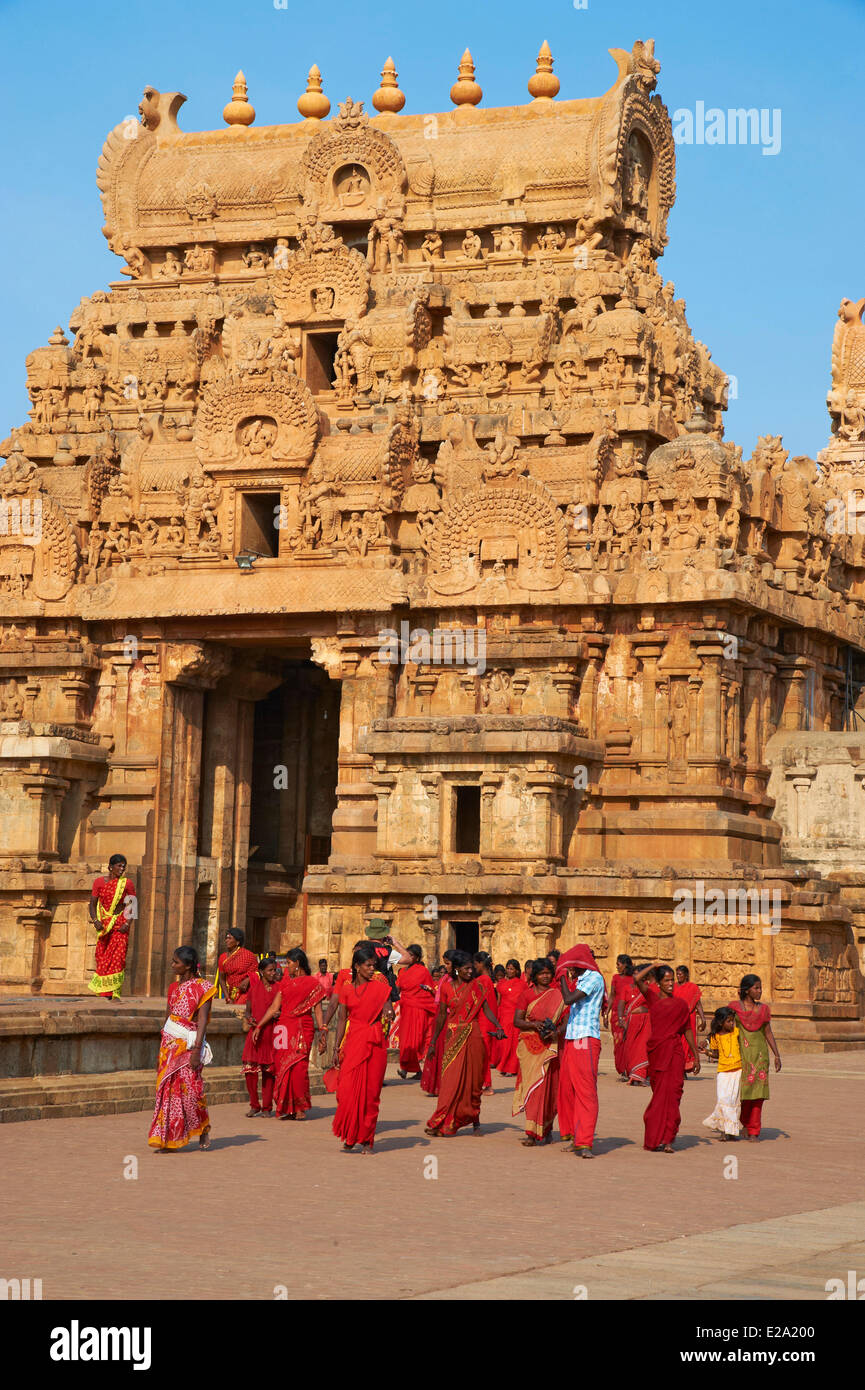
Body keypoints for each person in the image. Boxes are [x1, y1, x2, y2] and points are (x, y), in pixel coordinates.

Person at [424, 951, 504, 1137]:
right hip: (452, 1036)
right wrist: (433, 1042)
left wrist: (498, 1025)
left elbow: (486, 1009)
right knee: (450, 1082)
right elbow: (442, 1015)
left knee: (473, 1081)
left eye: (472, 968)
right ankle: (440, 1121)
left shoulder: (478, 986)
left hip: (473, 1035)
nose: (470, 971)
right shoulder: (446, 988)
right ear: (458, 970)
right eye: (467, 968)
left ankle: (474, 1120)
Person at [148, 946, 216, 1152]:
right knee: (168, 1092)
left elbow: (203, 1020)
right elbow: (168, 1016)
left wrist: (196, 1050)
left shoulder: (204, 988)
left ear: (187, 966)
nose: (172, 965)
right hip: (169, 1046)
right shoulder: (175, 988)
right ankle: (169, 1138)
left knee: (191, 1091)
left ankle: (203, 1127)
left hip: (188, 1045)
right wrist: (163, 1044)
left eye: (176, 962)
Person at [332, 943, 394, 1152]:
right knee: (347, 1092)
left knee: (370, 1094)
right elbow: (341, 1019)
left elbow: (387, 1005)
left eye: (374, 966)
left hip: (375, 1043)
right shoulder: (347, 989)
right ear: (357, 966)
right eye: (368, 966)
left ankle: (367, 1139)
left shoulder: (380, 987)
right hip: (353, 1042)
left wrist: (388, 1012)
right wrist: (335, 1047)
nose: (372, 970)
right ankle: (350, 1134)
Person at [253, 947, 327, 1121]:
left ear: (298, 963)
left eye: (289, 963)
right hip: (284, 1029)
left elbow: (318, 1011)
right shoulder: (285, 983)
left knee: (299, 1068)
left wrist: (322, 1030)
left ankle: (300, 1107)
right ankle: (287, 1107)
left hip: (303, 1028)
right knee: (282, 1068)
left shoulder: (313, 983)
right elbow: (274, 1008)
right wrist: (259, 1026)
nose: (286, 967)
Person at [634, 963, 700, 1153]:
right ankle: (655, 1137)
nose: (671, 983)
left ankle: (668, 1139)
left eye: (672, 980)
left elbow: (687, 1029)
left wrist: (695, 1055)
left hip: (675, 1053)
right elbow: (637, 978)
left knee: (673, 1095)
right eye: (667, 980)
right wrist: (653, 966)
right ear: (659, 982)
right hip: (657, 1052)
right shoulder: (653, 999)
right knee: (659, 1096)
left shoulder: (680, 1004)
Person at [556, 944, 607, 1158]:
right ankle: (574, 1136)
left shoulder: (594, 978)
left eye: (571, 966)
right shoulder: (580, 980)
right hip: (572, 1037)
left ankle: (585, 1142)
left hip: (585, 1038)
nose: (570, 971)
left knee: (585, 1092)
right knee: (569, 1090)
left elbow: (568, 999)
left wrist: (560, 978)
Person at [512, 958, 566, 1145]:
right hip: (529, 1046)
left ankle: (547, 1128)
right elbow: (517, 1021)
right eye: (541, 973)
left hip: (550, 1045)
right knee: (534, 1087)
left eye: (548, 973)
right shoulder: (526, 995)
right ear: (534, 975)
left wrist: (556, 1031)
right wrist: (534, 1024)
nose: (545, 976)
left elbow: (566, 1021)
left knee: (550, 1088)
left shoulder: (558, 995)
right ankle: (531, 1132)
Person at [728, 974, 781, 1141]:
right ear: (746, 990)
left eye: (760, 988)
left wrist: (777, 1055)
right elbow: (726, 1030)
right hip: (741, 1056)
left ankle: (754, 1130)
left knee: (758, 1095)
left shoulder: (764, 1010)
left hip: (759, 1056)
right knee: (740, 1092)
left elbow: (768, 1032)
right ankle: (740, 1124)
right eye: (756, 988)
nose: (760, 991)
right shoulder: (734, 1008)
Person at [88, 854, 136, 998]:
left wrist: (127, 923)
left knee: (118, 957)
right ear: (110, 867)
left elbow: (132, 904)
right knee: (102, 956)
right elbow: (92, 903)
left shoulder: (127, 883)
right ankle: (104, 991)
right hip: (104, 925)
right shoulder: (98, 883)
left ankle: (114, 992)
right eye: (119, 866)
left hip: (120, 923)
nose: (122, 869)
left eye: (123, 867)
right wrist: (95, 920)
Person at [241, 955, 279, 1117]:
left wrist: (278, 1013)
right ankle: (254, 1104)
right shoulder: (254, 989)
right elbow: (248, 1011)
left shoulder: (278, 988)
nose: (273, 973)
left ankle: (267, 1107)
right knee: (250, 1071)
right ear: (262, 972)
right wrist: (250, 1020)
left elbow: (282, 1009)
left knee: (268, 1072)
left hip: (271, 1032)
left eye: (274, 970)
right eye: (270, 970)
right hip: (255, 1032)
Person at [395, 945, 437, 1079]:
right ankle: (413, 1070)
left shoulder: (423, 971)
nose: (408, 957)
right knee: (405, 1039)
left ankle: (407, 1069)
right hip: (406, 1008)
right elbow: (397, 989)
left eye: (412, 955)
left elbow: (430, 990)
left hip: (419, 1008)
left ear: (417, 958)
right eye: (407, 954)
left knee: (415, 1039)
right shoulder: (401, 972)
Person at [702, 1006, 742, 1141]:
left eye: (733, 1021)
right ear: (720, 1023)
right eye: (729, 1021)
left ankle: (731, 1131)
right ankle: (724, 1130)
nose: (732, 1024)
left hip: (737, 1070)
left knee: (733, 1101)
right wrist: (707, 1052)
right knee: (723, 1100)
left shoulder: (737, 1032)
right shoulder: (715, 1037)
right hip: (723, 1072)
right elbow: (716, 1054)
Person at [420, 950, 456, 1096]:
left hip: (449, 1019)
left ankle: (446, 1086)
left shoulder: (456, 980)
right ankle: (436, 1086)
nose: (445, 967)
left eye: (448, 963)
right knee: (437, 1050)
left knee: (445, 1051)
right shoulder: (445, 978)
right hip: (440, 1017)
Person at [472, 950, 500, 1092]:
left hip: (484, 1020)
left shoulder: (482, 980)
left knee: (482, 1053)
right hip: (487, 1020)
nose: (474, 966)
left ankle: (486, 1084)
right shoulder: (487, 979)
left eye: (476, 963)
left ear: (481, 964)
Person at [620, 963, 651, 1085]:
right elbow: (621, 1003)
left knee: (641, 1049)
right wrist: (622, 1018)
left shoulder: (649, 987)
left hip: (645, 1023)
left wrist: (646, 1010)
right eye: (634, 973)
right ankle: (632, 1074)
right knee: (631, 1048)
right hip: (631, 1022)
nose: (635, 975)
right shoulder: (628, 988)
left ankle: (639, 1076)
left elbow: (656, 1003)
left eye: (638, 973)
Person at [607, 954, 635, 1080]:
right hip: (616, 1015)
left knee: (629, 1042)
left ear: (625, 965)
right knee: (618, 1043)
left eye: (618, 964)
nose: (617, 967)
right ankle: (622, 1068)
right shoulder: (615, 978)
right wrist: (606, 1012)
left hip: (629, 1014)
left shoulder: (634, 978)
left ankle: (629, 1068)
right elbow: (612, 996)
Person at [674, 965, 706, 1076]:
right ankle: (678, 1067)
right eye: (677, 974)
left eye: (680, 974)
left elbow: (698, 1004)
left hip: (689, 1018)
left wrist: (703, 1019)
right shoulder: (673, 987)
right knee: (677, 1043)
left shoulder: (692, 987)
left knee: (688, 1043)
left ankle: (684, 1068)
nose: (678, 976)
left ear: (686, 975)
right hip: (676, 1019)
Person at [495, 958, 525, 1076]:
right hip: (504, 1015)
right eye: (507, 968)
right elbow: (499, 999)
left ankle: (513, 1068)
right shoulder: (501, 983)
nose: (509, 971)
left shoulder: (522, 985)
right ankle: (503, 1065)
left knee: (514, 1042)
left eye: (511, 969)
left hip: (515, 1015)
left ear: (517, 971)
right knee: (504, 1042)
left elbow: (523, 1000)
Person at [216, 928, 258, 1006]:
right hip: (231, 993)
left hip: (246, 992)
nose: (226, 940)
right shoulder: (223, 957)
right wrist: (227, 998)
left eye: (229, 938)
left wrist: (248, 979)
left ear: (237, 942)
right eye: (226, 938)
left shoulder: (248, 955)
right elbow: (221, 979)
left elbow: (258, 973)